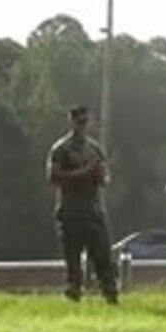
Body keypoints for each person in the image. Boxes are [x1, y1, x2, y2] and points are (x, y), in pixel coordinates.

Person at [44, 105, 118, 304]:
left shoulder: (94, 148)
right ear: (72, 123)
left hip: (93, 210)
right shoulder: (61, 149)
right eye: (80, 122)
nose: (83, 126)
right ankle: (74, 292)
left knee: (103, 254)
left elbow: (105, 177)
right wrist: (83, 173)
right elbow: (54, 176)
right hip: (71, 211)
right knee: (73, 258)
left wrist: (100, 175)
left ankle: (109, 291)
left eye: (86, 122)